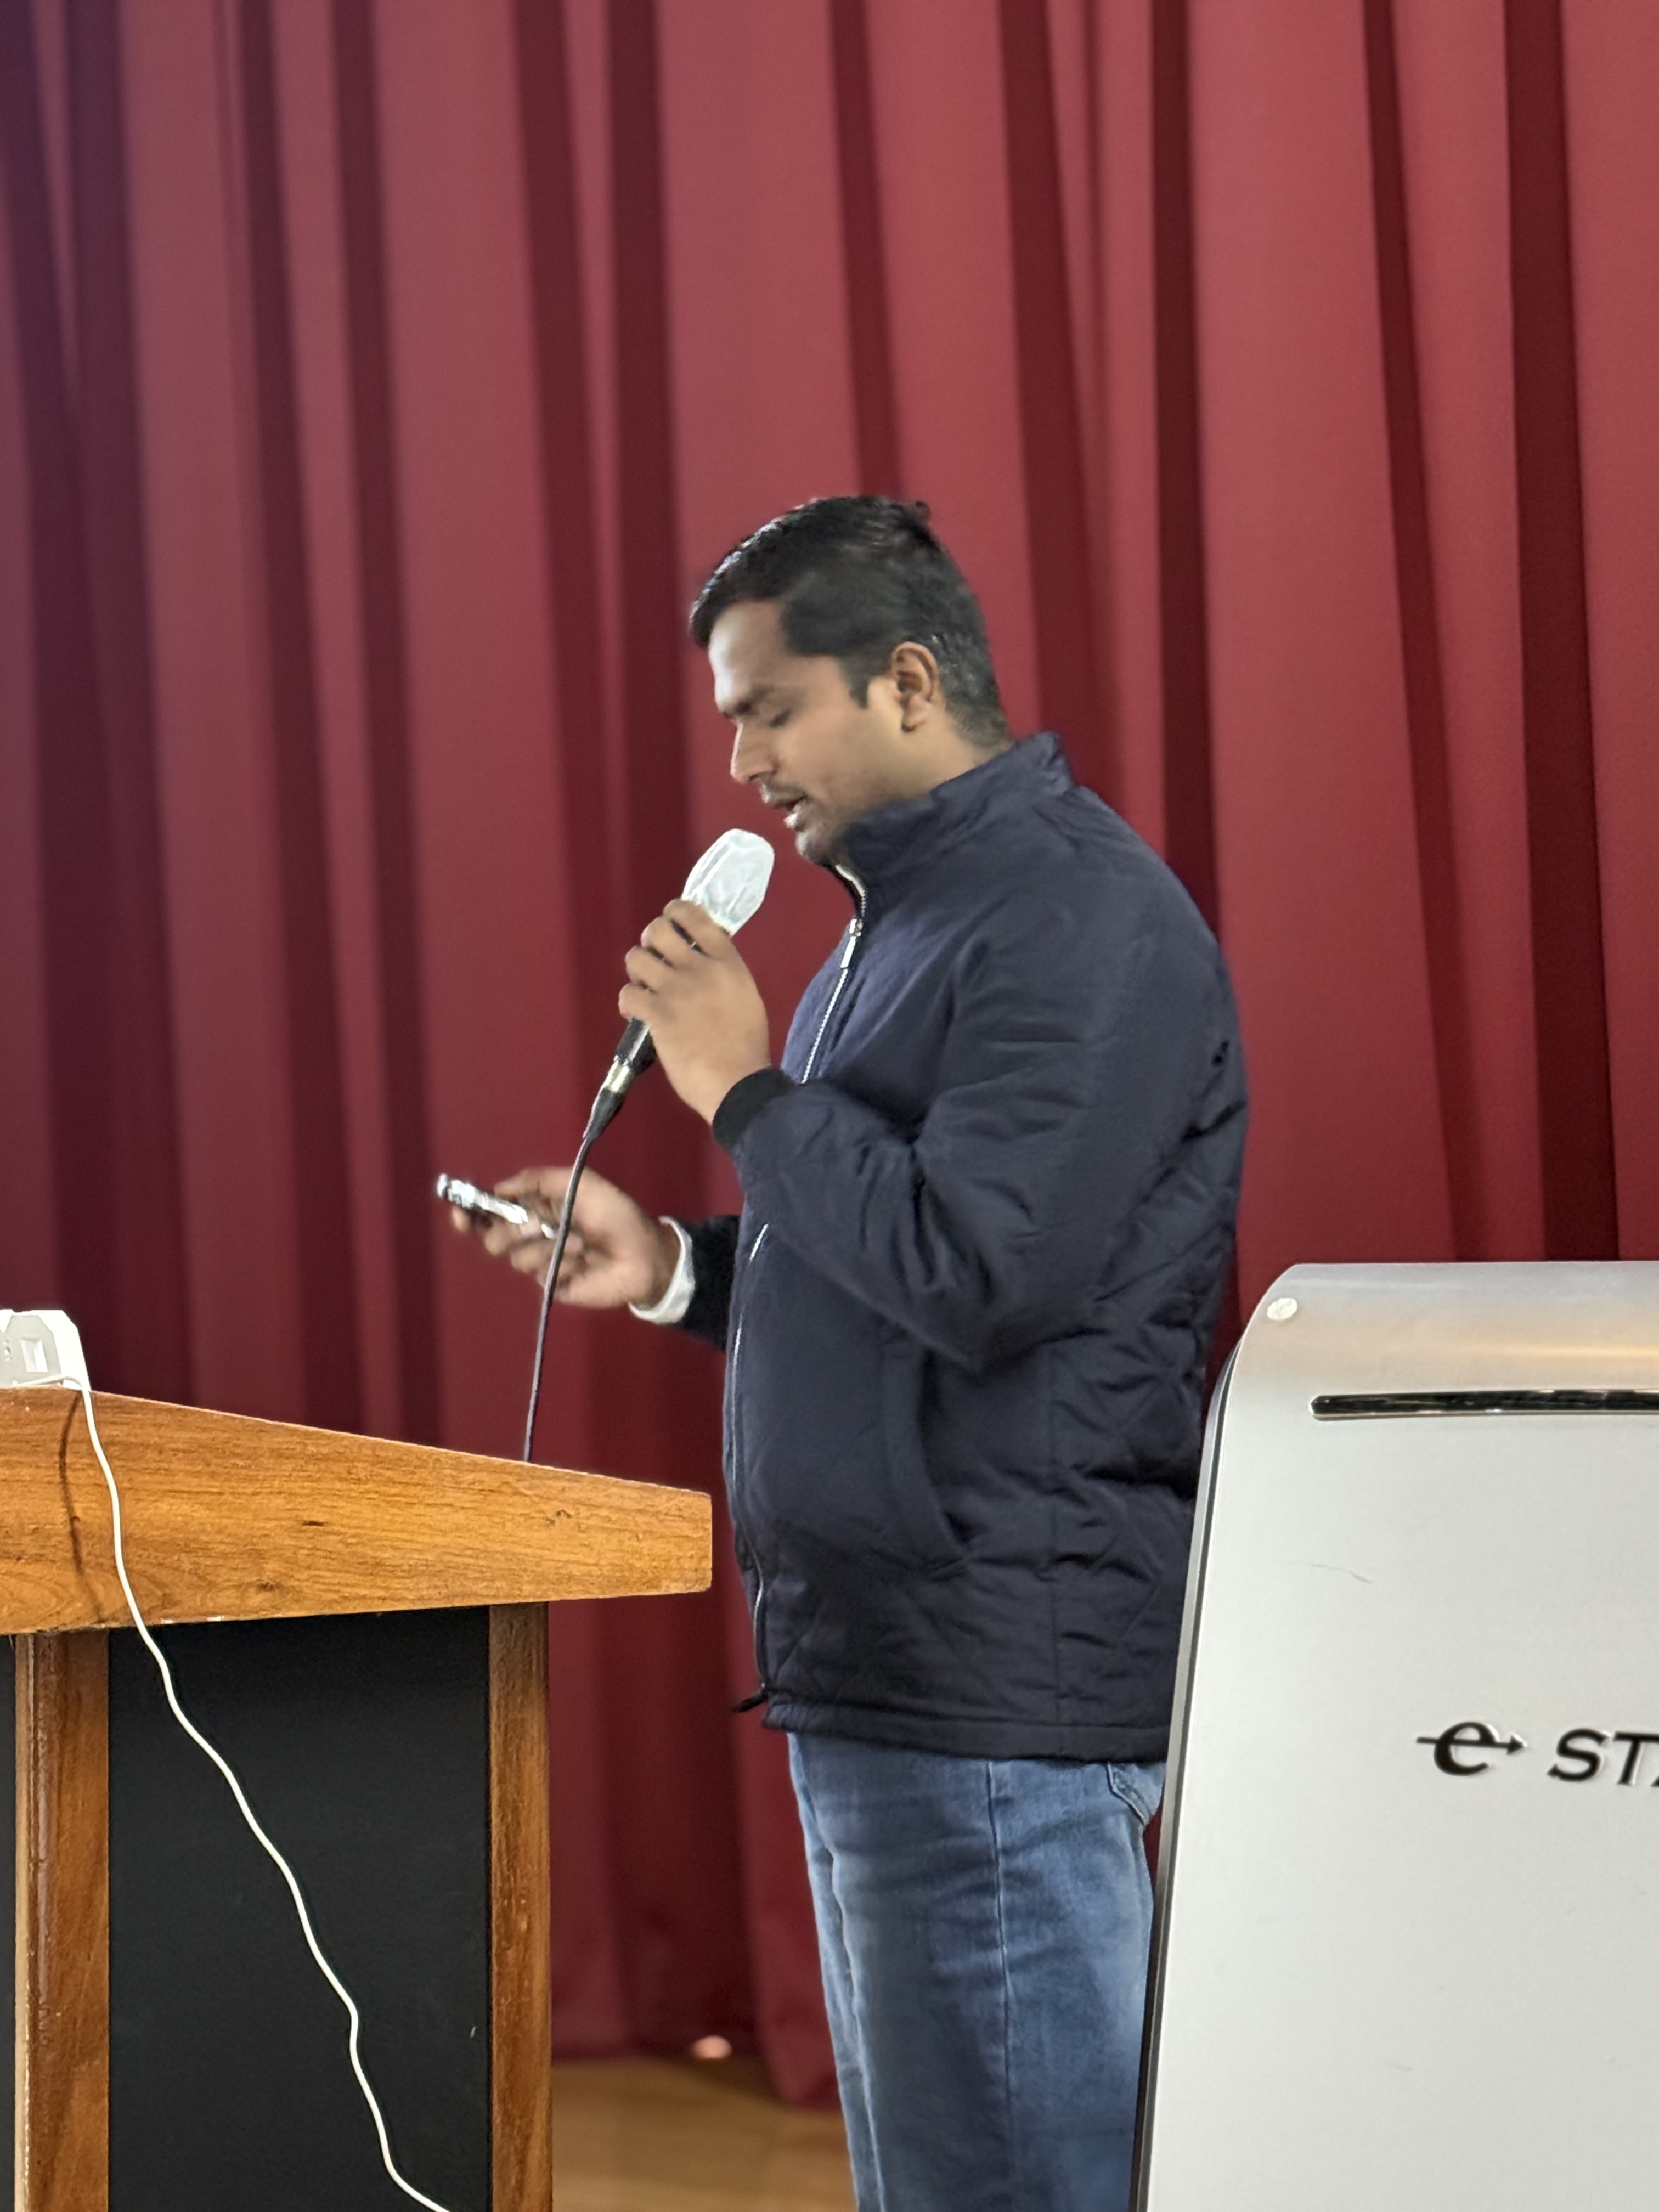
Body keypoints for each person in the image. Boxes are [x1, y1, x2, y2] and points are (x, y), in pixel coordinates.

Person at [457, 497, 1246, 2212]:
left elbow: (985, 1274)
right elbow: (881, 1264)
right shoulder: (904, 924)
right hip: (892, 1671)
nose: (741, 761)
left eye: (768, 708)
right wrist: (673, 1267)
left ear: (903, 682)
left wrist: (743, 1088)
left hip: (996, 1692)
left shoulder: (1074, 918)